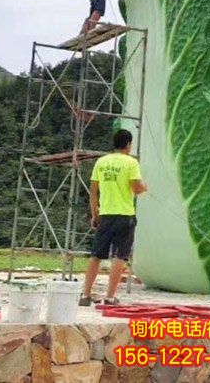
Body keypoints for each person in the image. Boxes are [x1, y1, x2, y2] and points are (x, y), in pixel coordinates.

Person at [80, 129, 147, 306]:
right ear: (128, 145)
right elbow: (137, 187)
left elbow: (93, 191)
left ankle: (85, 295)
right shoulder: (131, 163)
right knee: (119, 256)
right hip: (125, 215)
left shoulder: (101, 162)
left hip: (106, 215)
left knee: (96, 255)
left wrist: (94, 214)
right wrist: (144, 186)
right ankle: (110, 297)